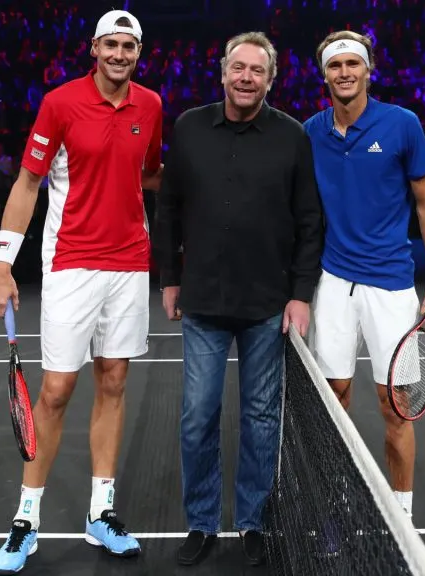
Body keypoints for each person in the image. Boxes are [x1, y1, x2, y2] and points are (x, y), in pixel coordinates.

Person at [0, 9, 164, 574]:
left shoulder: (153, 106)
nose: (119, 54)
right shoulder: (60, 104)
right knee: (57, 390)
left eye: (128, 46)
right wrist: (2, 264)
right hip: (70, 263)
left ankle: (100, 513)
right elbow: (28, 183)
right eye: (110, 45)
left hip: (130, 265)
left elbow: (151, 173)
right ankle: (27, 520)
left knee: (113, 381)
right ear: (93, 48)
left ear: (139, 51)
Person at [153, 31, 324, 567]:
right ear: (223, 72)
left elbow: (309, 222)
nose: (246, 77)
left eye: (257, 70)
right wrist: (169, 279)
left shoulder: (293, 136)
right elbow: (169, 212)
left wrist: (300, 295)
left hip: (267, 303)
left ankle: (252, 521)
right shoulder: (188, 128)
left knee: (260, 418)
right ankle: (202, 522)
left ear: (271, 80)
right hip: (202, 299)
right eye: (238, 68)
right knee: (197, 417)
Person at [302, 30, 425, 521]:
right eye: (335, 65)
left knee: (395, 405)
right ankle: (337, 493)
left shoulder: (402, 124)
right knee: (335, 397)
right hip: (332, 284)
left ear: (368, 70)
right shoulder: (310, 132)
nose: (344, 73)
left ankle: (401, 512)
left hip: (389, 284)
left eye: (353, 64)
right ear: (323, 74)